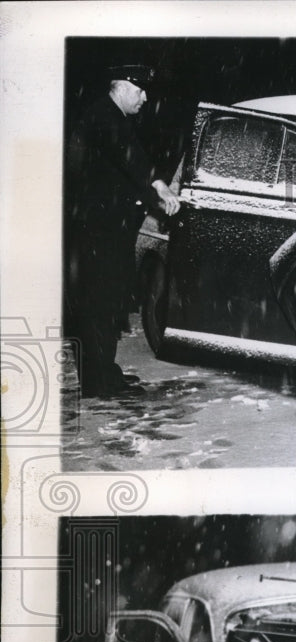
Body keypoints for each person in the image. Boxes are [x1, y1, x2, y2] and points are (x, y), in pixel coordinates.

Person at [65, 64, 180, 397]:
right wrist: (161, 188)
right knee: (100, 302)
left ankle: (103, 373)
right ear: (124, 87)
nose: (145, 99)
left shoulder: (108, 116)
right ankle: (100, 383)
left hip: (101, 228)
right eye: (141, 91)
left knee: (105, 301)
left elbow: (127, 165)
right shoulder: (105, 118)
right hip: (98, 232)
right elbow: (133, 161)